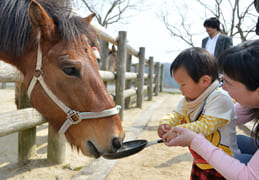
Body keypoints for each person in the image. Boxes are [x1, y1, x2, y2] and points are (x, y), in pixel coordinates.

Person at [162, 39, 259, 180]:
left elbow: (248, 177)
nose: (223, 88)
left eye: (229, 83)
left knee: (241, 161)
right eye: (222, 79)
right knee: (237, 142)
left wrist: (195, 140)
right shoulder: (251, 105)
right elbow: (227, 118)